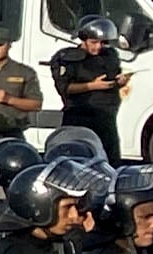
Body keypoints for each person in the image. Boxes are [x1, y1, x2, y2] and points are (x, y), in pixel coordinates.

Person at [48, 17, 130, 162]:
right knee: (78, 160)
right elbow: (64, 88)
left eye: (102, 43)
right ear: (83, 39)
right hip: (80, 116)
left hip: (105, 117)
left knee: (111, 160)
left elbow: (112, 78)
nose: (98, 47)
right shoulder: (69, 58)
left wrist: (119, 81)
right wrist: (91, 86)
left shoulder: (109, 56)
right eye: (93, 42)